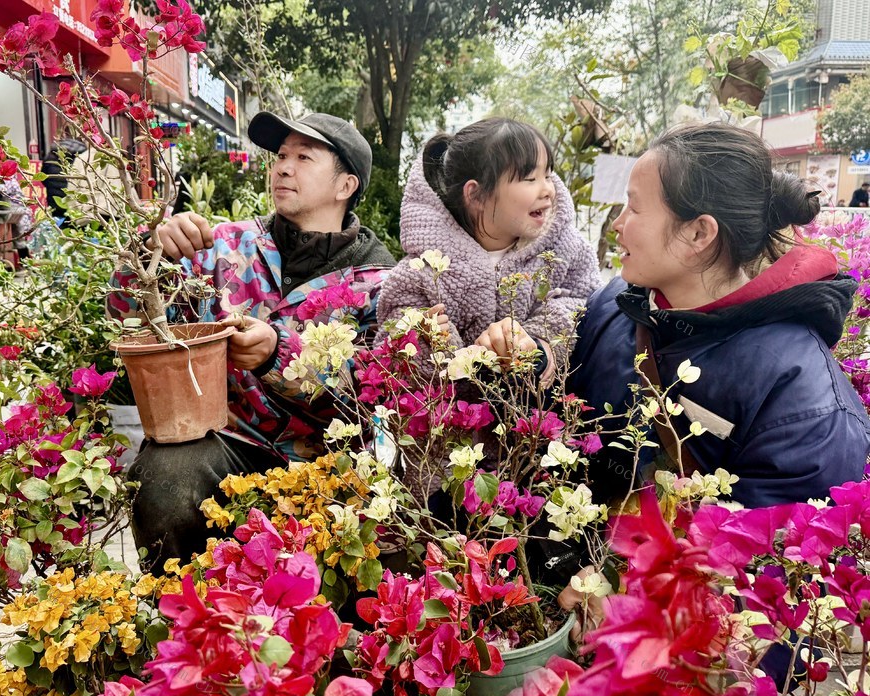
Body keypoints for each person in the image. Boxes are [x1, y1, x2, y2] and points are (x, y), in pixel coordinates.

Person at [107, 112, 396, 573]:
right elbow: (129, 316)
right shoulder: (223, 245)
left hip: (328, 462)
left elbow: (374, 394)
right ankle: (179, 614)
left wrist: (276, 356)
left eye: (304, 157)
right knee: (164, 477)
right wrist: (150, 253)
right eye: (280, 155)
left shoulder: (384, 286)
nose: (282, 166)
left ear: (345, 186)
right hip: (228, 441)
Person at [568, 122, 870, 510]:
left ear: (698, 234)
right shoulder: (613, 306)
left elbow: (770, 557)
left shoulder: (803, 401)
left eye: (636, 207)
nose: (618, 224)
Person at [377, 117, 599, 377]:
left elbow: (583, 300)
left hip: (538, 412)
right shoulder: (420, 274)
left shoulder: (566, 250)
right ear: (476, 195)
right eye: (530, 178)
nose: (548, 190)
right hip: (451, 415)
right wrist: (429, 343)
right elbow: (389, 355)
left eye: (548, 175)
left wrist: (536, 344)